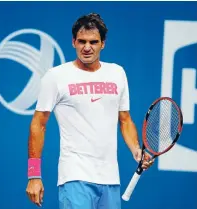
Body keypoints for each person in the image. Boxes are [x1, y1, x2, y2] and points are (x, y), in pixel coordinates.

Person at [26, 13, 153, 209]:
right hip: (74, 176)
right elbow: (38, 124)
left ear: (103, 43)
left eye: (93, 42)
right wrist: (34, 174)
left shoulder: (117, 73)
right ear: (73, 42)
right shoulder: (56, 77)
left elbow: (125, 120)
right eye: (82, 41)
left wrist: (137, 150)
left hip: (110, 179)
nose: (87, 47)